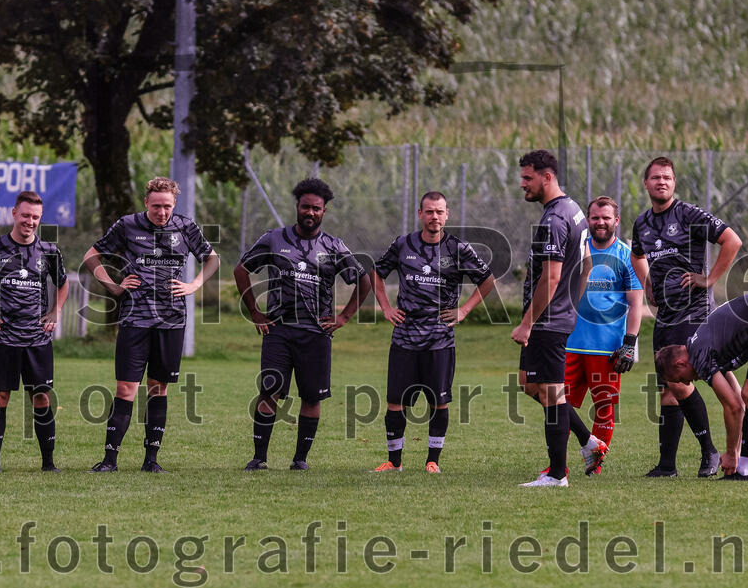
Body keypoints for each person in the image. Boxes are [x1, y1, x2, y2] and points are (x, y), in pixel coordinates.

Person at [235, 177, 371, 471]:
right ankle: (259, 458)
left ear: (324, 212)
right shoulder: (274, 238)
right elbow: (241, 269)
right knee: (269, 391)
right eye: (306, 207)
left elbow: (364, 280)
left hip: (316, 333)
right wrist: (255, 312)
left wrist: (344, 316)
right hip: (278, 331)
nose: (310, 212)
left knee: (311, 396)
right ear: (297, 207)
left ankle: (300, 460)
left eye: (317, 209)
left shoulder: (333, 246)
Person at [85, 177, 219, 473]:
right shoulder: (127, 225)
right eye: (156, 206)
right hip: (135, 320)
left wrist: (194, 284)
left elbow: (212, 259)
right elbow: (91, 256)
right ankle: (109, 461)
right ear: (146, 202)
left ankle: (151, 461)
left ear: (175, 204)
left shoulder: (185, 227)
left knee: (158, 389)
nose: (162, 212)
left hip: (171, 322)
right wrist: (115, 286)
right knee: (125, 389)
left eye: (167, 206)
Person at [631, 157, 742, 478]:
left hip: (694, 312)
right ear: (646, 184)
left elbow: (731, 240)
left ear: (674, 182)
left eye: (667, 177)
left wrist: (709, 279)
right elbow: (637, 255)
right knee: (668, 385)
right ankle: (667, 465)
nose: (661, 182)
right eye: (655, 178)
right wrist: (647, 282)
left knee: (680, 384)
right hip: (666, 314)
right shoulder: (642, 224)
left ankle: (710, 452)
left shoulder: (689, 214)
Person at [370, 191, 495, 473]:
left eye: (439, 212)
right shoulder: (403, 244)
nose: (434, 217)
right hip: (404, 335)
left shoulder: (458, 249)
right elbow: (376, 273)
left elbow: (487, 280)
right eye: (429, 212)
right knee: (395, 402)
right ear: (420, 214)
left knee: (438, 402)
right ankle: (394, 461)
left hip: (440, 338)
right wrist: (387, 308)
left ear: (447, 214)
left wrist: (463, 311)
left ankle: (432, 461)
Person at [0, 191, 69, 473]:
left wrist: (55, 311)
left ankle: (48, 464)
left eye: (35, 217)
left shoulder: (49, 251)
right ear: (14, 214)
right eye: (25, 216)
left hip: (37, 339)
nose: (29, 222)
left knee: (42, 397)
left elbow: (63, 283)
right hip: (2, 338)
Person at [655, 292, 748, 482]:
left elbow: (732, 406)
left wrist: (731, 453)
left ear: (680, 363)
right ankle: (745, 469)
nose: (686, 383)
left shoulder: (699, 356)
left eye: (680, 379)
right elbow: (739, 405)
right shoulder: (700, 345)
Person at [510, 150, 590, 488]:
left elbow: (551, 278)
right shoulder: (573, 211)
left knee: (552, 393)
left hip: (545, 321)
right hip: (556, 316)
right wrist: (572, 304)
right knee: (530, 385)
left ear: (547, 177)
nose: (523, 184)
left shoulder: (554, 220)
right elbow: (587, 264)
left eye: (528, 178)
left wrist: (528, 322)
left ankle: (557, 475)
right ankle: (588, 441)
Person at [563, 196, 644, 475]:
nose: (600, 223)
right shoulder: (576, 251)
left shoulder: (626, 256)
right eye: (595, 217)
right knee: (559, 405)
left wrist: (629, 343)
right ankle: (558, 464)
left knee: (604, 406)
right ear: (587, 220)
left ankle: (595, 464)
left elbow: (636, 303)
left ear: (616, 221)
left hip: (607, 348)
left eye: (606, 218)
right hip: (570, 342)